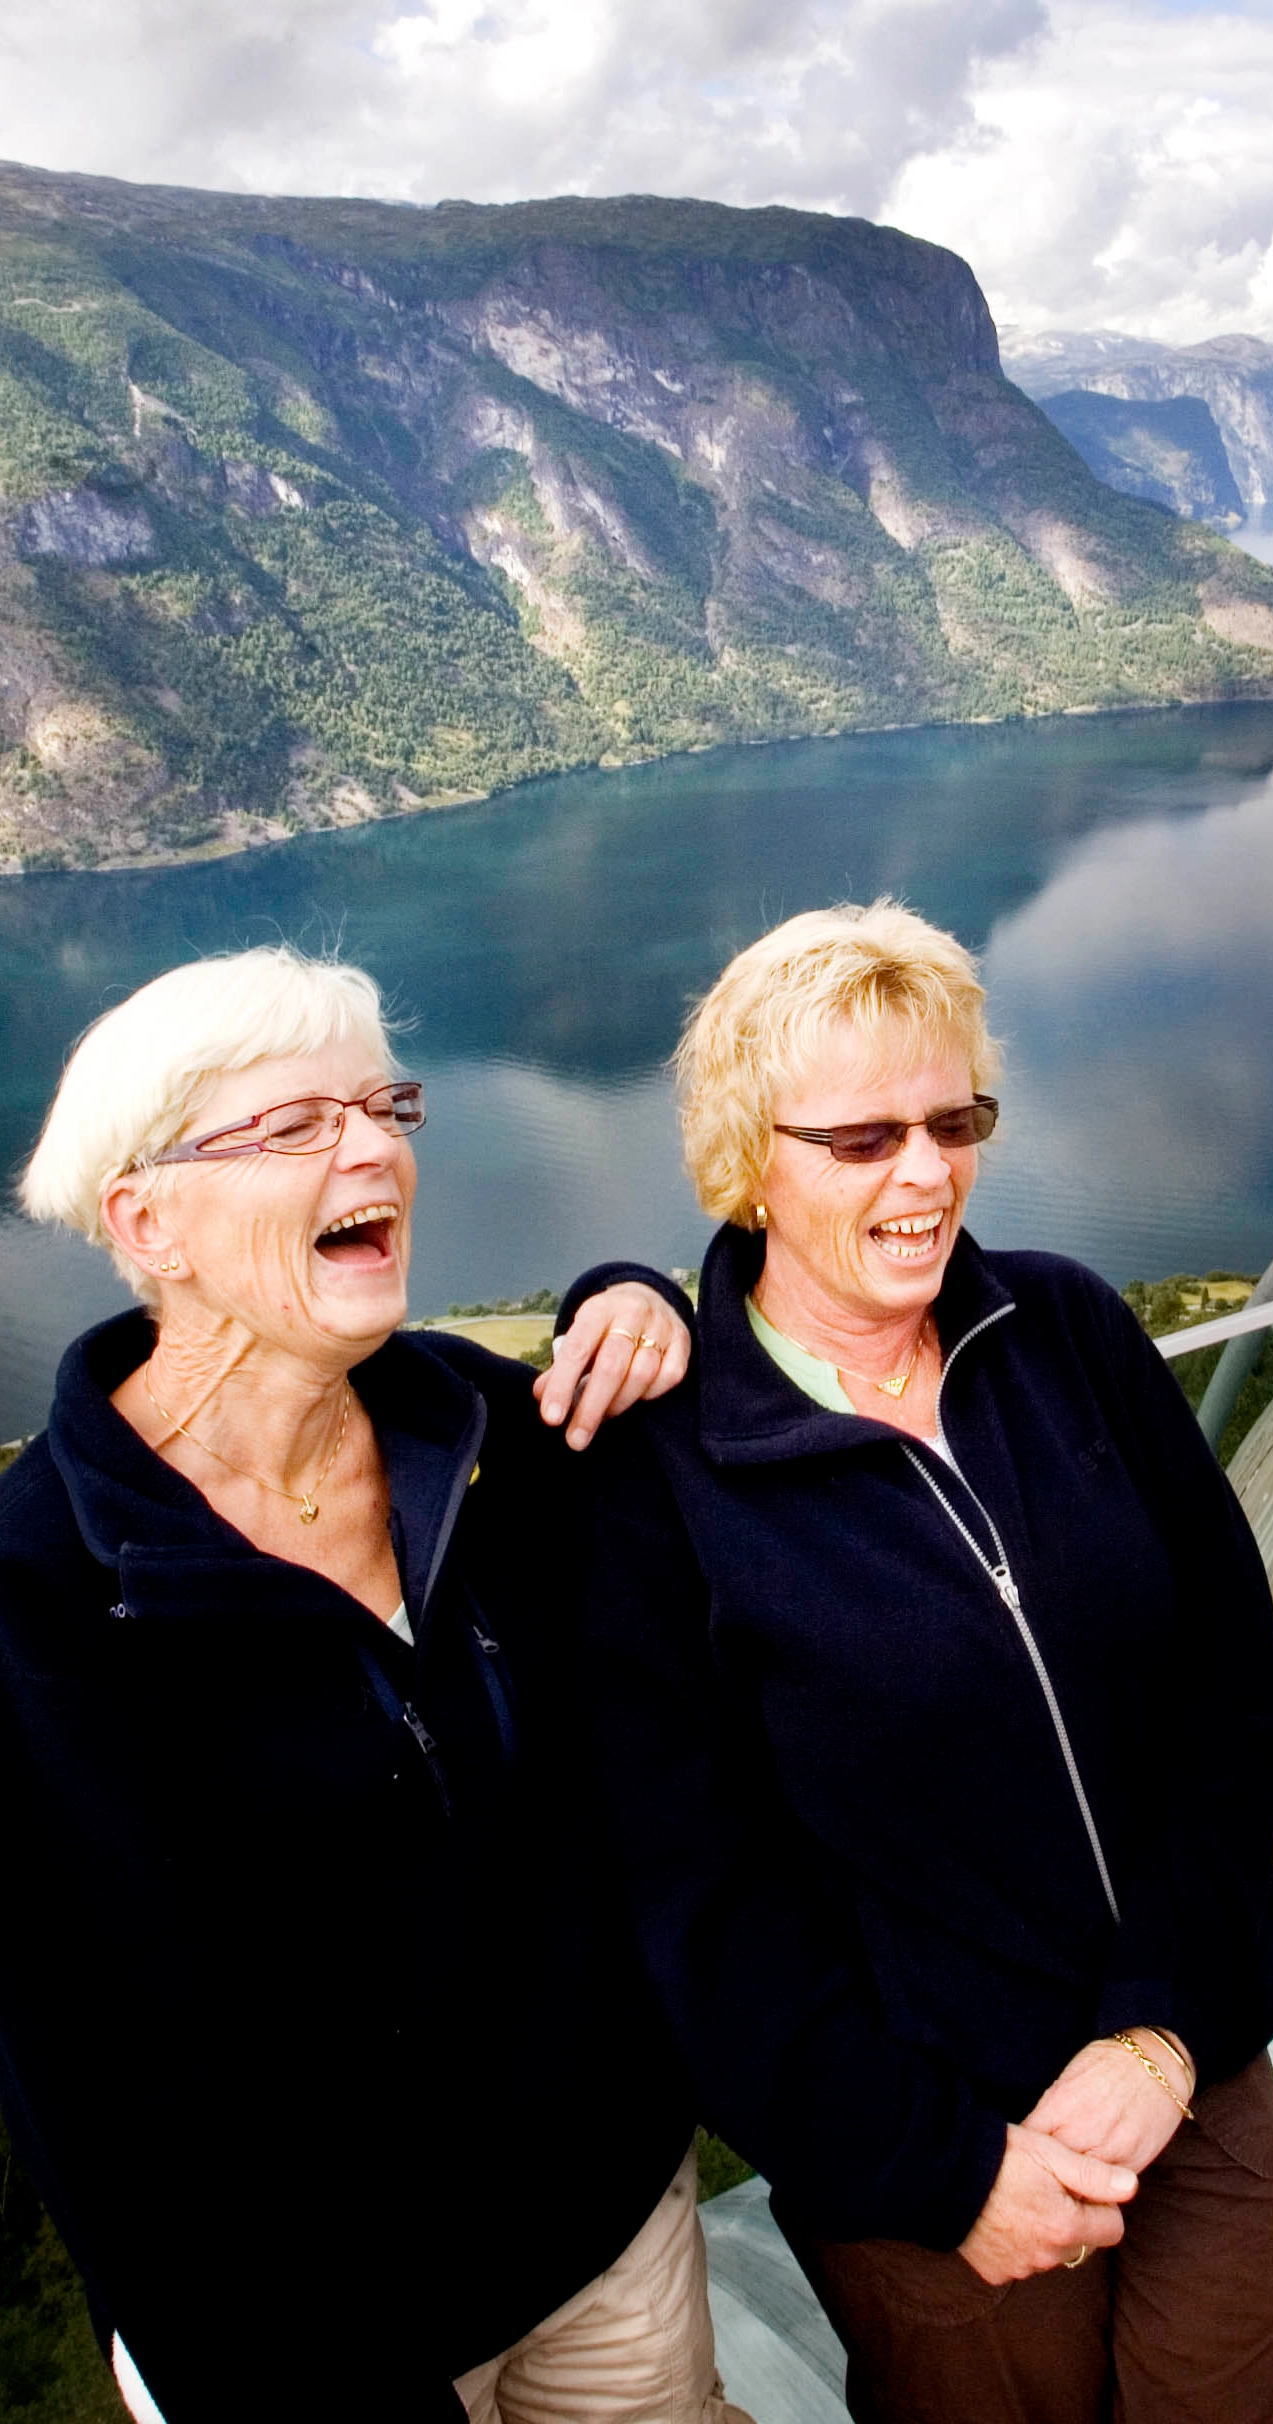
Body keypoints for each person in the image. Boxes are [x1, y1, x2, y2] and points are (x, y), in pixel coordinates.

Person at [577, 900, 1273, 2424]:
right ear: (746, 1160)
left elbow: (1224, 1695)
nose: (925, 1174)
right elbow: (701, 1903)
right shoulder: (664, 1468)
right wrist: (942, 2167)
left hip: (1184, 2058)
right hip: (928, 2143)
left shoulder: (1064, 1331)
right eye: (860, 1141)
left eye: (953, 1118)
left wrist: (1164, 2029)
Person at [0, 946, 746, 2424]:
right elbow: (104, 2086)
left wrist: (640, 1301)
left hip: (605, 2225)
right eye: (295, 1125)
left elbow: (702, 1622)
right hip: (318, 2331)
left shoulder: (480, 1437)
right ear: (150, 1225)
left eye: (381, 1106)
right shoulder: (48, 1597)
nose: (374, 1147)